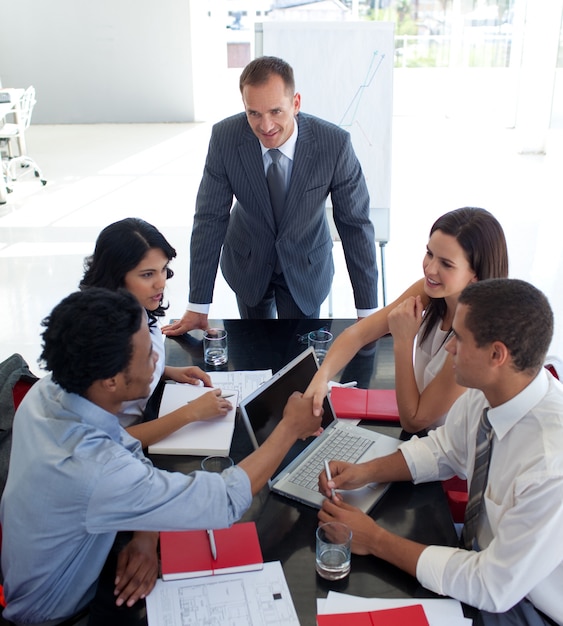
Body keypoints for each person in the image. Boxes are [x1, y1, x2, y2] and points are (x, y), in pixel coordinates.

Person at [0, 288, 321, 625]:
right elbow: (224, 500)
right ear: (110, 381)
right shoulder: (93, 469)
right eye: (147, 356)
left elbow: (124, 450)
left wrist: (147, 528)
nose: (158, 359)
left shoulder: (49, 391)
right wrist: (289, 427)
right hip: (64, 613)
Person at [319, 278, 563, 625]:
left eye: (459, 339)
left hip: (527, 605)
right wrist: (367, 471)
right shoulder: (488, 390)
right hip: (485, 568)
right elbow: (444, 449)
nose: (449, 348)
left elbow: (491, 586)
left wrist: (375, 540)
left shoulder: (551, 464)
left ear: (497, 355)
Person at [162, 55, 378, 335]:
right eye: (254, 113)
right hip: (248, 262)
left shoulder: (334, 144)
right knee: (254, 351)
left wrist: (368, 312)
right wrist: (198, 305)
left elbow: (355, 225)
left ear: (296, 103)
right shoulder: (225, 138)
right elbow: (210, 219)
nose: (265, 126)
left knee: (301, 357)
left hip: (306, 267)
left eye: (276, 111)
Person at [306, 207, 508, 434]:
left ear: (476, 276)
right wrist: (322, 376)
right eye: (430, 253)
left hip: (454, 450)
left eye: (446, 264)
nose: (430, 270)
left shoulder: (477, 336)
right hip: (428, 437)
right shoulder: (431, 292)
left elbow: (414, 420)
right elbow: (359, 333)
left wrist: (403, 341)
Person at [80, 217, 231, 449]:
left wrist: (165, 371)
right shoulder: (101, 339)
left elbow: (129, 371)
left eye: (163, 270)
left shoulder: (136, 308)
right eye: (147, 274)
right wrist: (190, 413)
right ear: (116, 276)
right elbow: (110, 443)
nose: (161, 283)